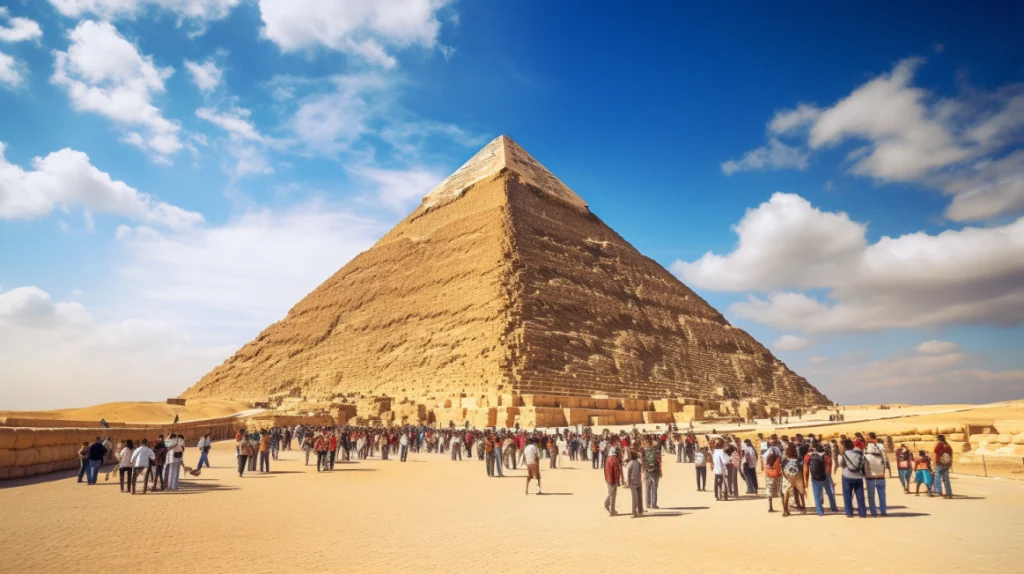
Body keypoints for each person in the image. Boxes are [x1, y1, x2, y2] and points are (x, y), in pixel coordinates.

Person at [805, 443, 838, 516]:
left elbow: (806, 467)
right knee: (830, 493)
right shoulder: (826, 456)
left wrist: (806, 479)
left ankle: (820, 511)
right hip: (826, 476)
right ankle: (834, 507)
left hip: (815, 477)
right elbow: (829, 466)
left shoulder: (809, 456)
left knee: (817, 495)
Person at [840, 438, 867, 517]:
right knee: (860, 496)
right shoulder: (859, 452)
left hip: (847, 476)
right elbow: (862, 464)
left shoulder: (845, 454)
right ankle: (862, 513)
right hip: (858, 476)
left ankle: (849, 513)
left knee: (847, 495)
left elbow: (842, 465)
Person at [863, 432, 888, 517]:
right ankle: (883, 511)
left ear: (869, 438)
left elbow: (864, 461)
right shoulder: (881, 446)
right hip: (881, 475)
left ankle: (873, 512)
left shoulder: (866, 448)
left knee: (871, 496)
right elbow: (885, 460)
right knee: (882, 495)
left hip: (870, 476)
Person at [781, 443, 805, 516]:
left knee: (786, 493)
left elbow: (782, 467)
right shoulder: (798, 458)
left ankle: (785, 510)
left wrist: (784, 475)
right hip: (798, 476)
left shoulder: (785, 458)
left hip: (787, 477)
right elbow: (802, 467)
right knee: (800, 491)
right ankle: (802, 505)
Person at [764, 439, 782, 512]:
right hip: (777, 472)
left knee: (769, 490)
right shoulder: (778, 451)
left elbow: (765, 459)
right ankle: (784, 507)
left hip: (769, 473)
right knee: (781, 489)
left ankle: (770, 507)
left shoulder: (768, 452)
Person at [643, 439, 662, 510]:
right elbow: (659, 462)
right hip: (655, 471)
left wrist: (644, 471)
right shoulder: (657, 452)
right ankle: (654, 504)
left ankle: (647, 504)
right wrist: (660, 471)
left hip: (647, 471)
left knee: (647, 488)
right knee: (654, 488)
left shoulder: (644, 451)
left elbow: (643, 462)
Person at [604, 446, 621, 516]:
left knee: (611, 493)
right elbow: (616, 471)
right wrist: (618, 481)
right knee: (612, 495)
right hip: (613, 479)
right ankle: (611, 510)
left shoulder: (608, 458)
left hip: (608, 478)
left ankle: (609, 507)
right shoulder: (615, 459)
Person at [626, 451, 644, 517]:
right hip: (638, 481)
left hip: (632, 482)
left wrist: (628, 482)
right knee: (639, 497)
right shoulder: (639, 462)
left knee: (634, 498)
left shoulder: (630, 463)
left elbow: (628, 474)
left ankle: (634, 512)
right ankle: (640, 511)